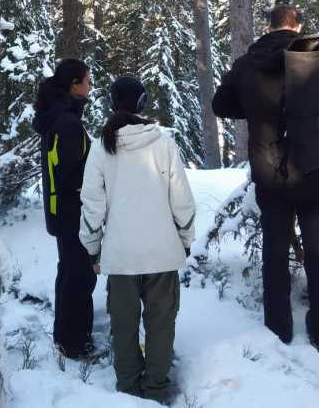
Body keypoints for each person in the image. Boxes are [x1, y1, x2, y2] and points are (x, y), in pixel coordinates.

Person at [212, 5, 319, 355]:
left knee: (274, 251)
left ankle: (278, 329)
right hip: (315, 172)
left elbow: (220, 105)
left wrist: (254, 106)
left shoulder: (248, 63)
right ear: (297, 26)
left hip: (270, 174)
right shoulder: (318, 59)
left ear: (268, 26)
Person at [79, 76, 195, 404]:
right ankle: (156, 390)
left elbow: (91, 205)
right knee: (161, 326)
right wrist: (185, 238)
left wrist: (92, 248)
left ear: (113, 103)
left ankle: (128, 392)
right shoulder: (164, 144)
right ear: (142, 103)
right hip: (162, 253)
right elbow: (182, 200)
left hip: (121, 256)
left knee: (124, 327)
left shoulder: (102, 147)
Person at [32, 59, 97, 359]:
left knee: (69, 271)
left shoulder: (58, 116)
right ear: (73, 84)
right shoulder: (67, 123)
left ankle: (65, 335)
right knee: (80, 276)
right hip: (71, 211)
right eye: (86, 80)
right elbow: (74, 175)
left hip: (60, 209)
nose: (90, 85)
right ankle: (75, 343)